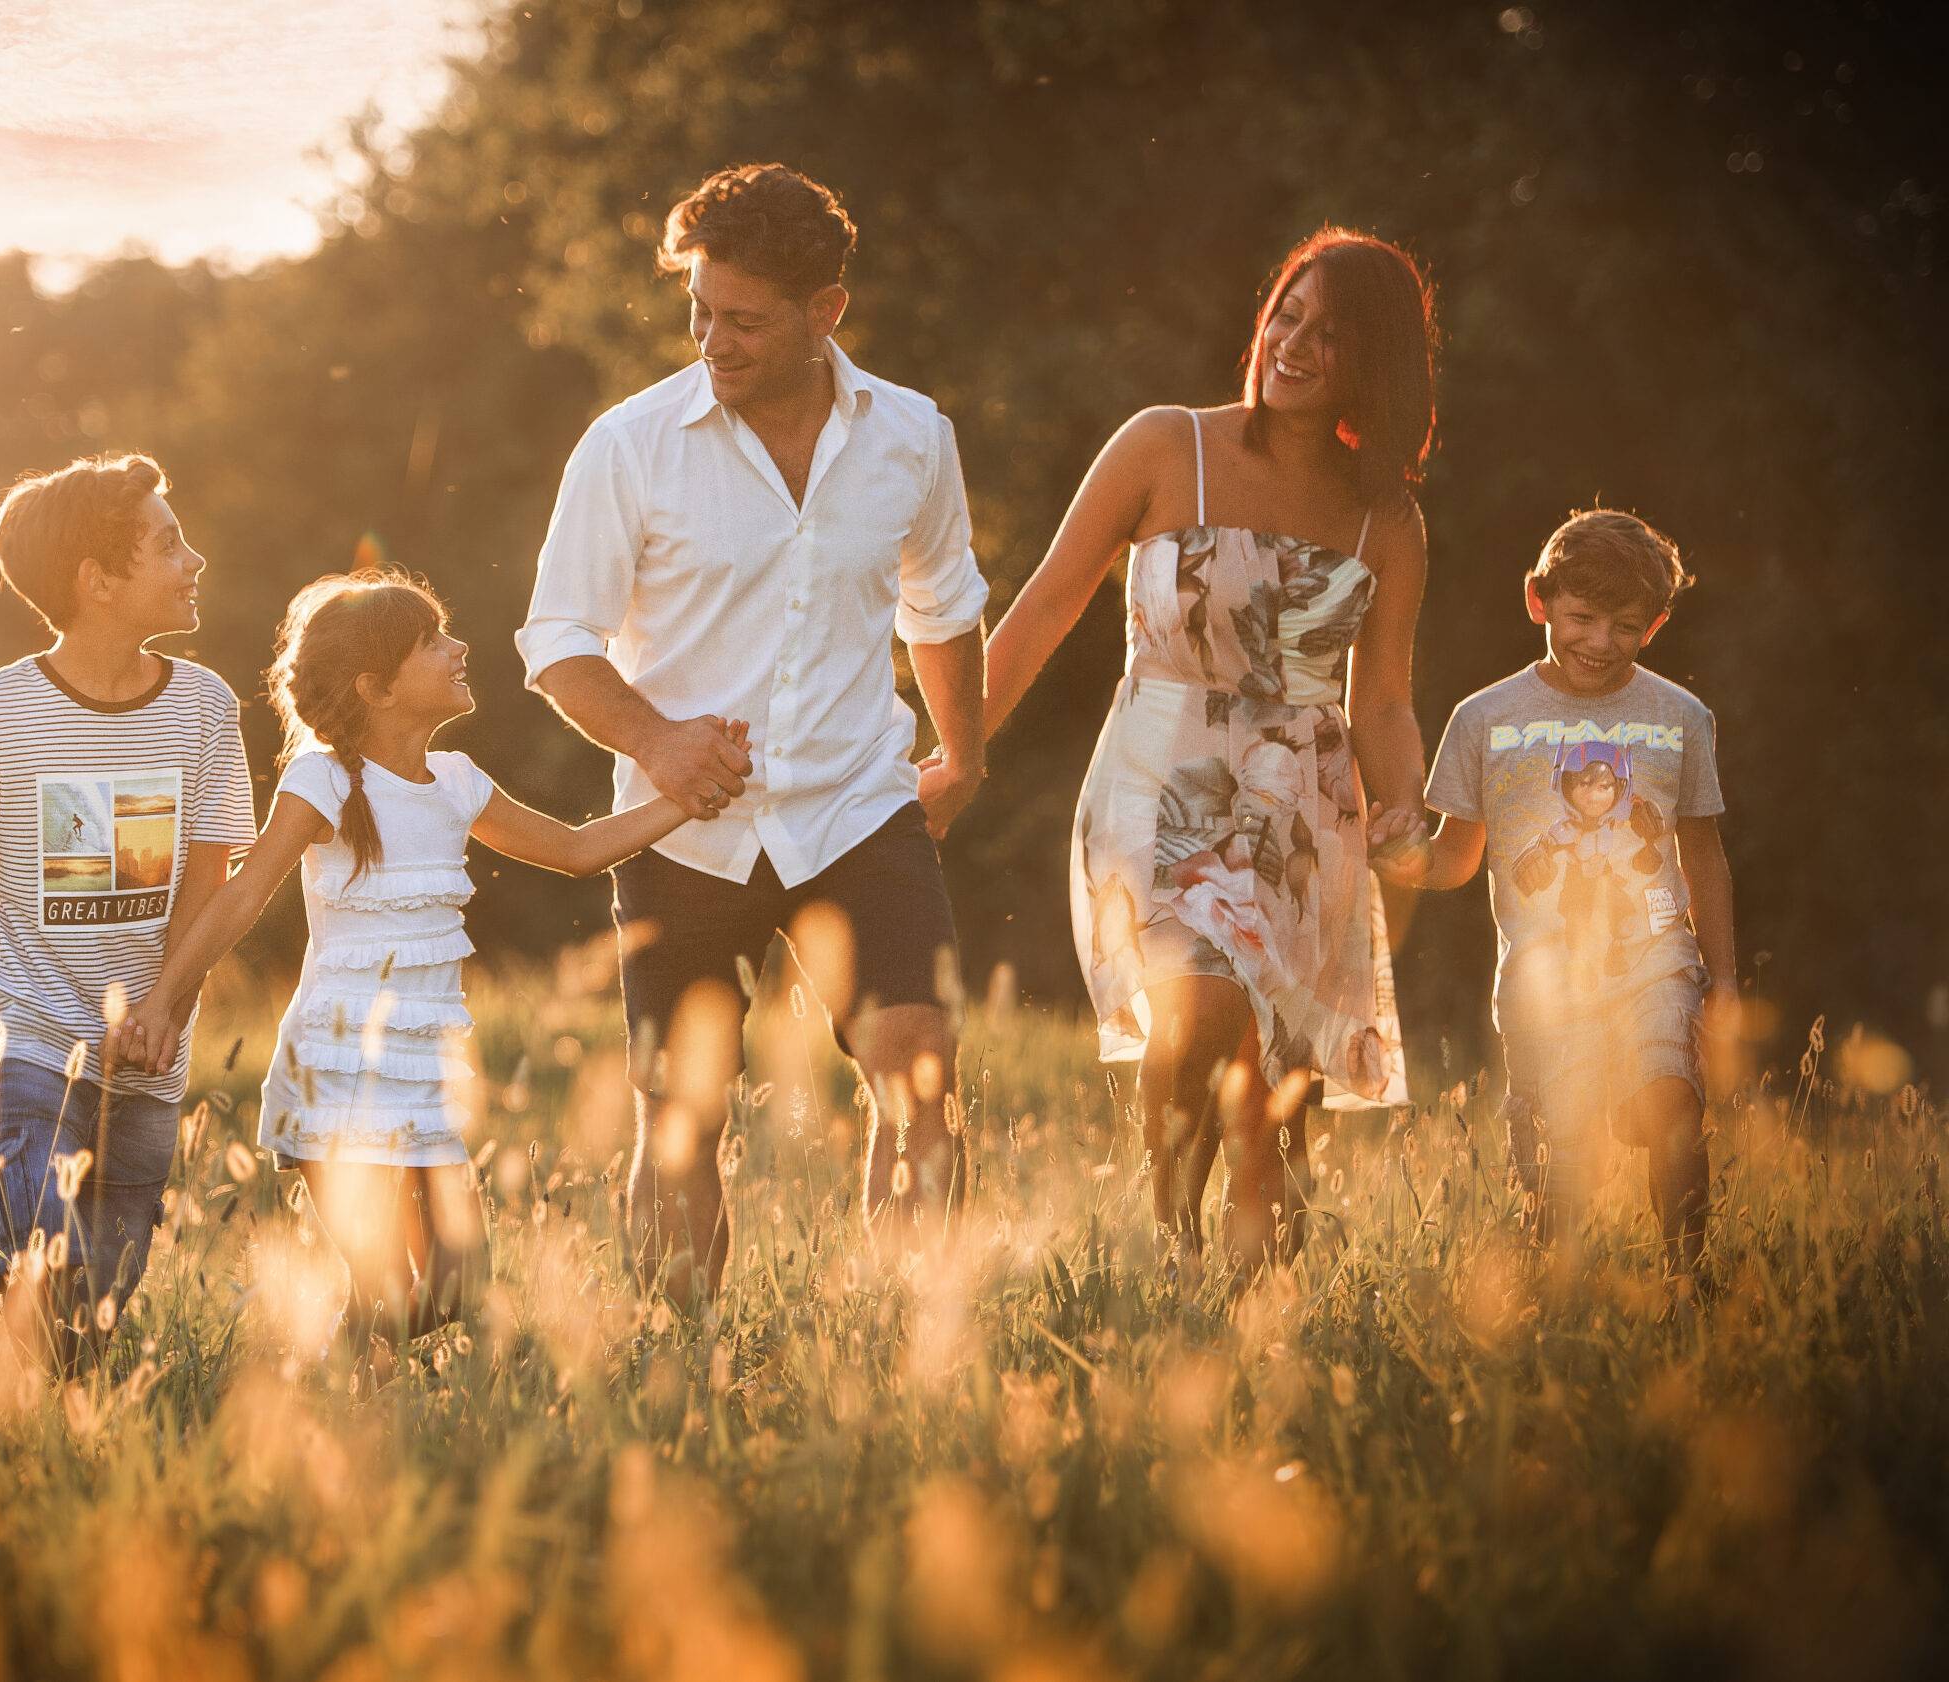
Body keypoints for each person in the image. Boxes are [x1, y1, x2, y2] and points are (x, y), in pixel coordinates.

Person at [515, 162, 991, 1306]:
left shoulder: (913, 438)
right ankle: (675, 1363)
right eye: (698, 312)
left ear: (825, 311)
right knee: (680, 1112)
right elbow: (555, 640)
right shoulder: (628, 446)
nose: (711, 341)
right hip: (685, 833)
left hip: (857, 806)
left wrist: (964, 752)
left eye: (743, 319)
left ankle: (906, 1352)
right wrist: (658, 738)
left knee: (919, 1073)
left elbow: (946, 606)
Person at [975, 228, 1438, 1271]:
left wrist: (1403, 801)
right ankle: (1171, 1241)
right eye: (1287, 313)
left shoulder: (1386, 521)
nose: (1295, 344)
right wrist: (953, 754)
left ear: (1377, 365)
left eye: (1332, 335)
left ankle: (1252, 1295)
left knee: (1272, 1100)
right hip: (1159, 775)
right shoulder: (1163, 444)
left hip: (1302, 809)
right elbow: (1043, 605)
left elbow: (1387, 701)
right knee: (1198, 1006)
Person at [114, 571, 727, 1343]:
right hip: (335, 1072)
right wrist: (165, 999)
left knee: (453, 1284)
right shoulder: (326, 779)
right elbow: (244, 895)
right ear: (376, 688)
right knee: (381, 1288)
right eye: (432, 642)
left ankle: (340, 1393)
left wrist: (687, 795)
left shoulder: (460, 784)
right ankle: (339, 1418)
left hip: (422, 1080)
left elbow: (575, 850)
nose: (459, 647)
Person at [0, 453, 256, 1371]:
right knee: (43, 1243)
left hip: (147, 1053)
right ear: (97, 581)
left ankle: (51, 1420)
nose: (195, 561)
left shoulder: (204, 707)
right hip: (23, 1033)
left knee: (95, 1310)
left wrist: (165, 1010)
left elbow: (209, 876)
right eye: (168, 544)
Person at [1405, 510, 1733, 1271]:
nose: (1599, 642)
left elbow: (1705, 855)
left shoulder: (1680, 718)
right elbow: (1455, 859)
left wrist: (1726, 982)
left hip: (1656, 957)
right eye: (1581, 618)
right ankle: (1554, 1292)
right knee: (1558, 1152)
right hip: (1545, 980)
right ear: (1538, 602)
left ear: (1653, 625)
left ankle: (1685, 1281)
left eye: (1624, 625)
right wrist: (1389, 855)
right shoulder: (1484, 719)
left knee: (1674, 1101)